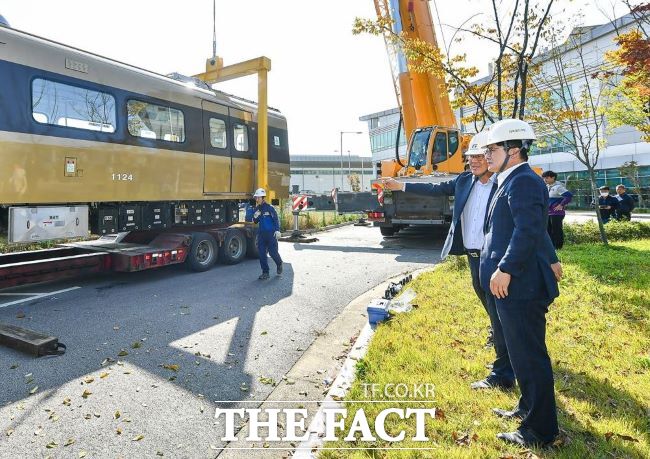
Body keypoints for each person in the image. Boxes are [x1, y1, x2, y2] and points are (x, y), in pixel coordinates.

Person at [383, 131, 562, 392]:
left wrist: (551, 258)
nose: (475, 161)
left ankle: (505, 369)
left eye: (480, 156)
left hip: (501, 262)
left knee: (504, 316)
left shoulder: (505, 185)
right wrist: (401, 186)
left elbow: (532, 227)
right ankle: (509, 355)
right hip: (476, 260)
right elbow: (434, 188)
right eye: (471, 157)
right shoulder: (464, 180)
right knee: (495, 314)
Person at [480, 119, 560, 447]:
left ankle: (540, 430)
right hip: (515, 284)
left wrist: (506, 268)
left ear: (513, 151)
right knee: (520, 355)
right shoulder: (511, 179)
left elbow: (527, 231)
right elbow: (531, 228)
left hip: (521, 285)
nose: (486, 154)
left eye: (492, 149)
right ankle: (527, 408)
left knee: (529, 356)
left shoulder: (523, 181)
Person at [251, 188, 282, 280]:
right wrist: (255, 216)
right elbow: (255, 221)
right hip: (261, 235)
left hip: (271, 234)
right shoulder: (257, 209)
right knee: (261, 254)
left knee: (273, 253)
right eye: (256, 198)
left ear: (262, 198)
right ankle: (265, 272)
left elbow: (275, 219)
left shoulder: (270, 208)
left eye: (258, 198)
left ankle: (279, 263)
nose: (256, 199)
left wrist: (277, 230)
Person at [541, 171, 572, 249]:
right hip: (548, 212)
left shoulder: (558, 187)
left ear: (553, 177)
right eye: (544, 178)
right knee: (548, 230)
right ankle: (551, 247)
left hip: (557, 213)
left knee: (556, 230)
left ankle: (558, 246)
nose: (545, 180)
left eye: (547, 178)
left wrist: (561, 205)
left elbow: (569, 196)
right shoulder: (547, 187)